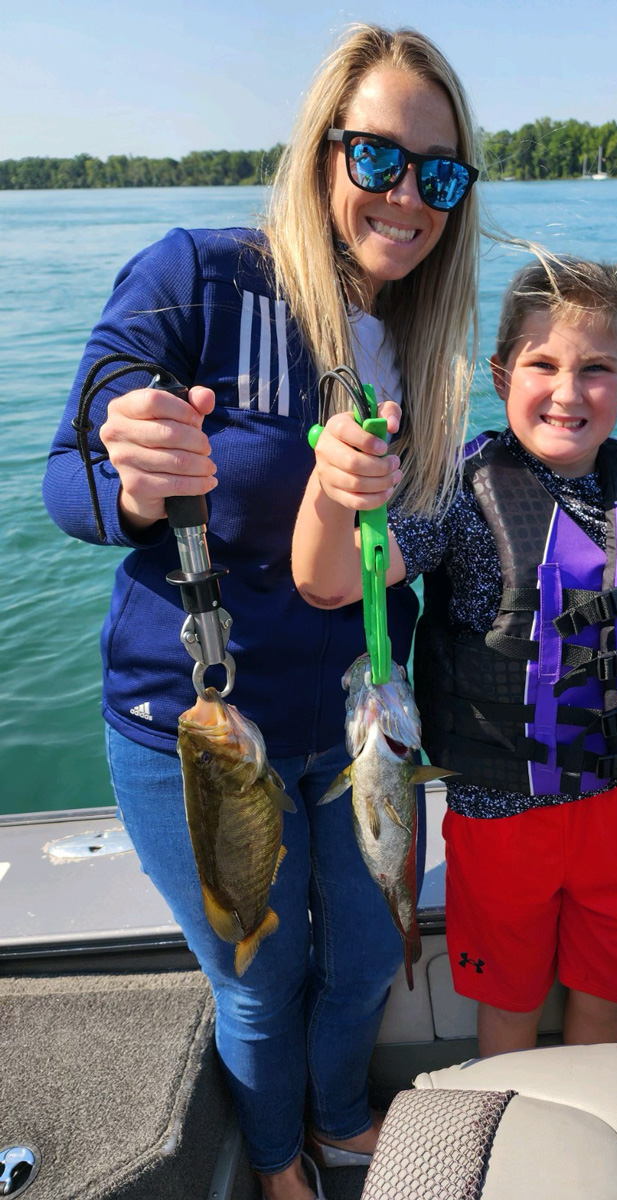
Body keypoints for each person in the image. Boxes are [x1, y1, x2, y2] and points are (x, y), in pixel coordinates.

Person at [43, 24, 482, 1200]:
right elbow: (63, 481)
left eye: (439, 173)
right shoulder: (192, 276)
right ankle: (280, 1162)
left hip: (356, 730)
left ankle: (341, 1121)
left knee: (359, 966)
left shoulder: (428, 348)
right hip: (196, 723)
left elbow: (399, 560)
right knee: (259, 972)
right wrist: (132, 480)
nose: (407, 196)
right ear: (319, 150)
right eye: (378, 156)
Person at [292, 254, 617, 1063]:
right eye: (543, 364)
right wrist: (335, 490)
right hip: (501, 815)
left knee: (606, 999)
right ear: (501, 373)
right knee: (509, 1007)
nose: (568, 392)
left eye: (596, 369)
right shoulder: (462, 492)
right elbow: (328, 581)